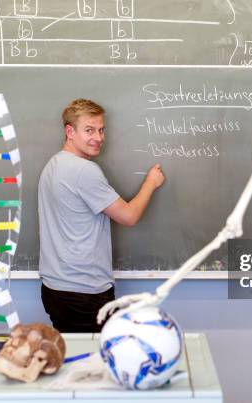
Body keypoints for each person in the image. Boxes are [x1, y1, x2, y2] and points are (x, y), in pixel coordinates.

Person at [38, 99, 165, 333]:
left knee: (76, 360)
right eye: (89, 130)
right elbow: (128, 216)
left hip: (55, 288)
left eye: (101, 129)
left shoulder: (53, 165)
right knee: (96, 364)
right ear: (70, 131)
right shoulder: (84, 171)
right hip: (83, 292)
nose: (98, 137)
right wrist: (151, 183)